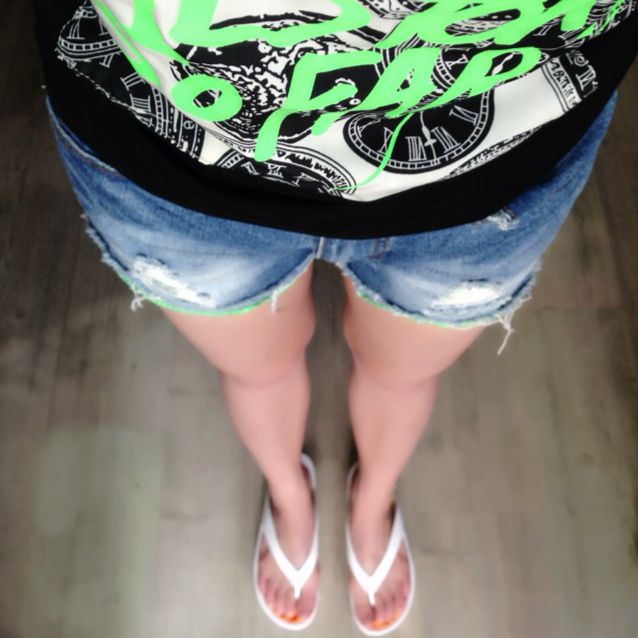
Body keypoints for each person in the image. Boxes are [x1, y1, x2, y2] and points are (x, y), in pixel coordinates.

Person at [32, 0, 637, 634]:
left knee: (398, 377)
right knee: (260, 372)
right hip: (166, 148)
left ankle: (371, 499)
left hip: (494, 166)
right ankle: (290, 495)